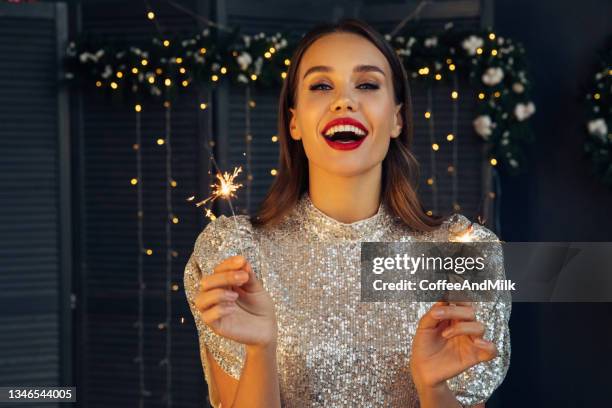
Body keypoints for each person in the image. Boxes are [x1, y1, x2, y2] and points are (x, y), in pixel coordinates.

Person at [184, 18, 511, 408]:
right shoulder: (235, 253)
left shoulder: (462, 253)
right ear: (294, 121)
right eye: (321, 86)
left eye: (368, 85)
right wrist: (261, 349)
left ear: (396, 119)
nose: (344, 101)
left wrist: (434, 388)